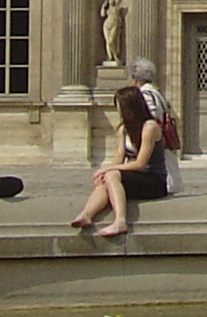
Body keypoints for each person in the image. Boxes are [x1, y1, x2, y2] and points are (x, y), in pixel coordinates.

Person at [70, 84, 166, 238]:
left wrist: (107, 171)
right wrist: (106, 171)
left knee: (111, 175)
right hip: (136, 178)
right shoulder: (123, 129)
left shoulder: (150, 127)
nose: (118, 110)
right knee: (105, 180)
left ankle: (120, 221)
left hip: (154, 180)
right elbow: (118, 158)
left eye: (120, 106)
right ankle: (86, 214)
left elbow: (140, 164)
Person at [129, 59, 182, 195]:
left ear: (135, 79)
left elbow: (150, 114)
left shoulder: (145, 94)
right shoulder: (155, 91)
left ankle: (166, 184)